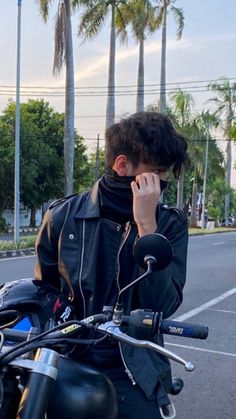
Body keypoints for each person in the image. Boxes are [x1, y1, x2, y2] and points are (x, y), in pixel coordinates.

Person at [35, 111, 189, 419]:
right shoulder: (62, 216)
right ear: (122, 165)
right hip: (69, 355)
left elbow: (164, 304)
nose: (162, 182)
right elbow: (43, 293)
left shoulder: (169, 223)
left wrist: (147, 226)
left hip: (134, 364)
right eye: (157, 171)